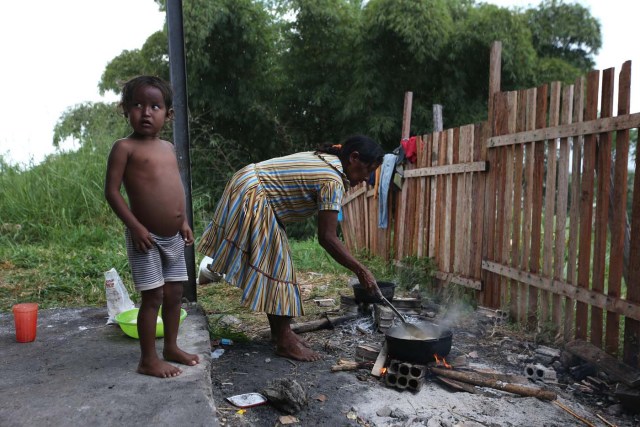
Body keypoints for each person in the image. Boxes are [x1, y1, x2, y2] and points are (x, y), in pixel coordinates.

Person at [197, 135, 385, 361]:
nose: (366, 178)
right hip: (254, 195)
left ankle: (281, 336)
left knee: (277, 266)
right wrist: (361, 270)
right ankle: (284, 342)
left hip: (251, 188)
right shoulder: (332, 180)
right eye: (368, 170)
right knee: (279, 268)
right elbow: (327, 237)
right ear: (354, 158)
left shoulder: (327, 160)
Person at [104, 75, 199, 378]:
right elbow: (112, 192)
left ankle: (171, 346)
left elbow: (173, 187)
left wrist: (182, 220)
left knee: (174, 294)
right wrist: (135, 227)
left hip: (173, 236)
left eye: (155, 106)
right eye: (137, 105)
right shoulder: (124, 148)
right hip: (145, 237)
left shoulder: (169, 148)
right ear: (126, 111)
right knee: (153, 296)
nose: (146, 112)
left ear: (168, 114)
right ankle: (148, 359)